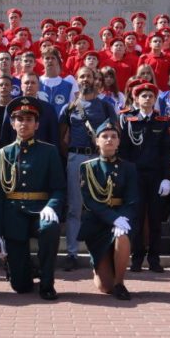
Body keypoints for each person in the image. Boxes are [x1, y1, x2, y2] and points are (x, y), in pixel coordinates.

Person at [0, 97, 66, 300]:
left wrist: (51, 206)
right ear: (12, 123)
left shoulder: (49, 151)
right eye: (19, 119)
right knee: (20, 286)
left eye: (29, 119)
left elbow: (59, 188)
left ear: (37, 124)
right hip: (14, 214)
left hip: (40, 210)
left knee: (50, 228)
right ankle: (23, 269)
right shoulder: (3, 154)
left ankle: (47, 282)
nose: (24, 123)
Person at [58, 66, 120, 271]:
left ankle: (100, 252)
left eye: (89, 76)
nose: (85, 79)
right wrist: (73, 155)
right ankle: (72, 253)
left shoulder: (105, 106)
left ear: (96, 79)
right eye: (81, 76)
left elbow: (116, 132)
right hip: (76, 158)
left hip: (99, 159)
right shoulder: (69, 108)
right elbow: (62, 136)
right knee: (75, 208)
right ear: (77, 80)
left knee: (100, 206)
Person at [78, 119, 138, 300]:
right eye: (104, 136)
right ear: (97, 141)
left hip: (122, 218)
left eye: (113, 136)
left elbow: (132, 199)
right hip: (97, 223)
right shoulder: (87, 168)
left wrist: (123, 219)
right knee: (104, 287)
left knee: (122, 235)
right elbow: (90, 201)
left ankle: (120, 283)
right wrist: (113, 218)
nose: (109, 140)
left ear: (119, 141)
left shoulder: (129, 168)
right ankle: (100, 266)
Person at [118, 83, 170, 273]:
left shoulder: (162, 122)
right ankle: (136, 258)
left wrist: (167, 178)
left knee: (156, 219)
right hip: (135, 177)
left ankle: (154, 258)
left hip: (157, 177)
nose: (148, 99)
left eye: (151, 96)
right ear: (136, 99)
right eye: (144, 96)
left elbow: (167, 153)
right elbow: (124, 151)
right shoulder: (129, 120)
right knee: (137, 219)